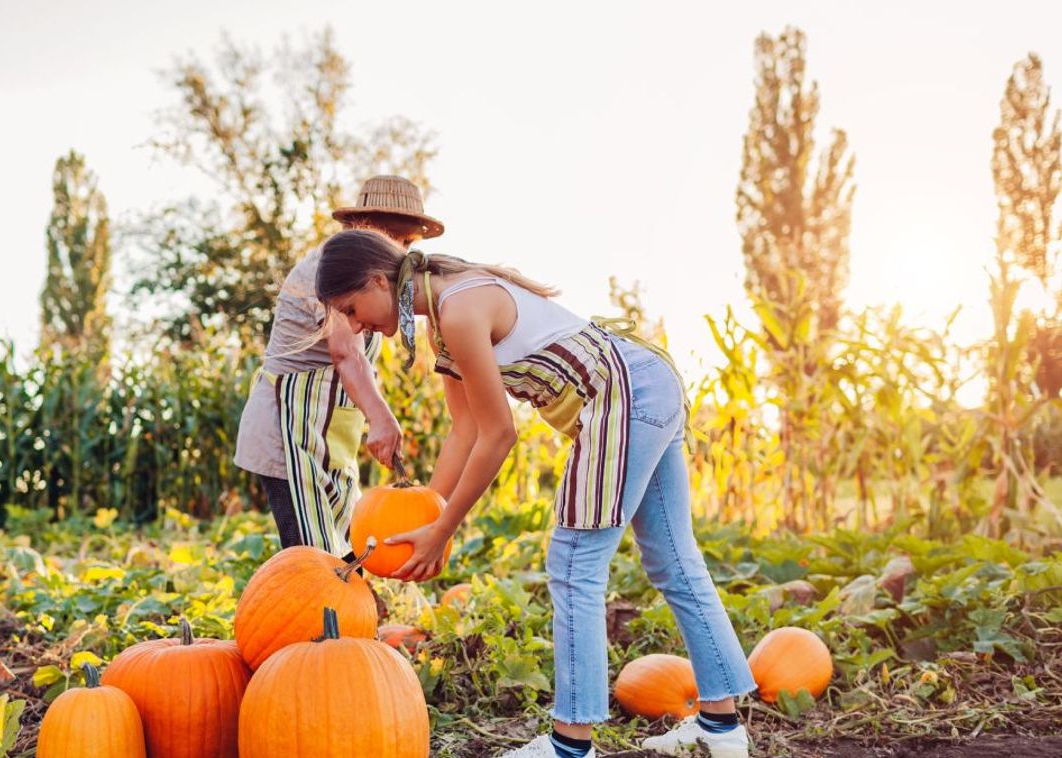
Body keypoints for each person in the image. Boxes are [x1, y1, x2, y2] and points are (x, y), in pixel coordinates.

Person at [313, 229, 756, 758]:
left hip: (622, 395)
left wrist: (444, 529)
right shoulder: (446, 319)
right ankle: (723, 731)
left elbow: (500, 434)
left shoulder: (458, 309)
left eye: (351, 307)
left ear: (377, 280)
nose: (356, 325)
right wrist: (424, 512)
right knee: (674, 560)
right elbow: (465, 431)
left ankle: (571, 745)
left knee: (574, 563)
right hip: (645, 380)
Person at [233, 176, 445, 561]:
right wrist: (382, 418)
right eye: (393, 236)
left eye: (408, 242)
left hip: (330, 439)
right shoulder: (332, 268)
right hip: (288, 433)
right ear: (365, 227)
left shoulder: (374, 281)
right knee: (311, 560)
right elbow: (345, 353)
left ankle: (353, 622)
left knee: (347, 554)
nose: (399, 250)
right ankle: (311, 622)